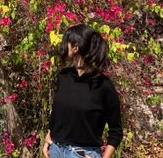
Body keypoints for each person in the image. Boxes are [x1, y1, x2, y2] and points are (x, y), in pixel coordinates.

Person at [43, 24, 123, 158]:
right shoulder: (63, 77)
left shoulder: (103, 85)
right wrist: (49, 136)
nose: (63, 46)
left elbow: (116, 131)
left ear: (76, 47)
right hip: (55, 150)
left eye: (66, 41)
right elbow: (59, 113)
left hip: (82, 154)